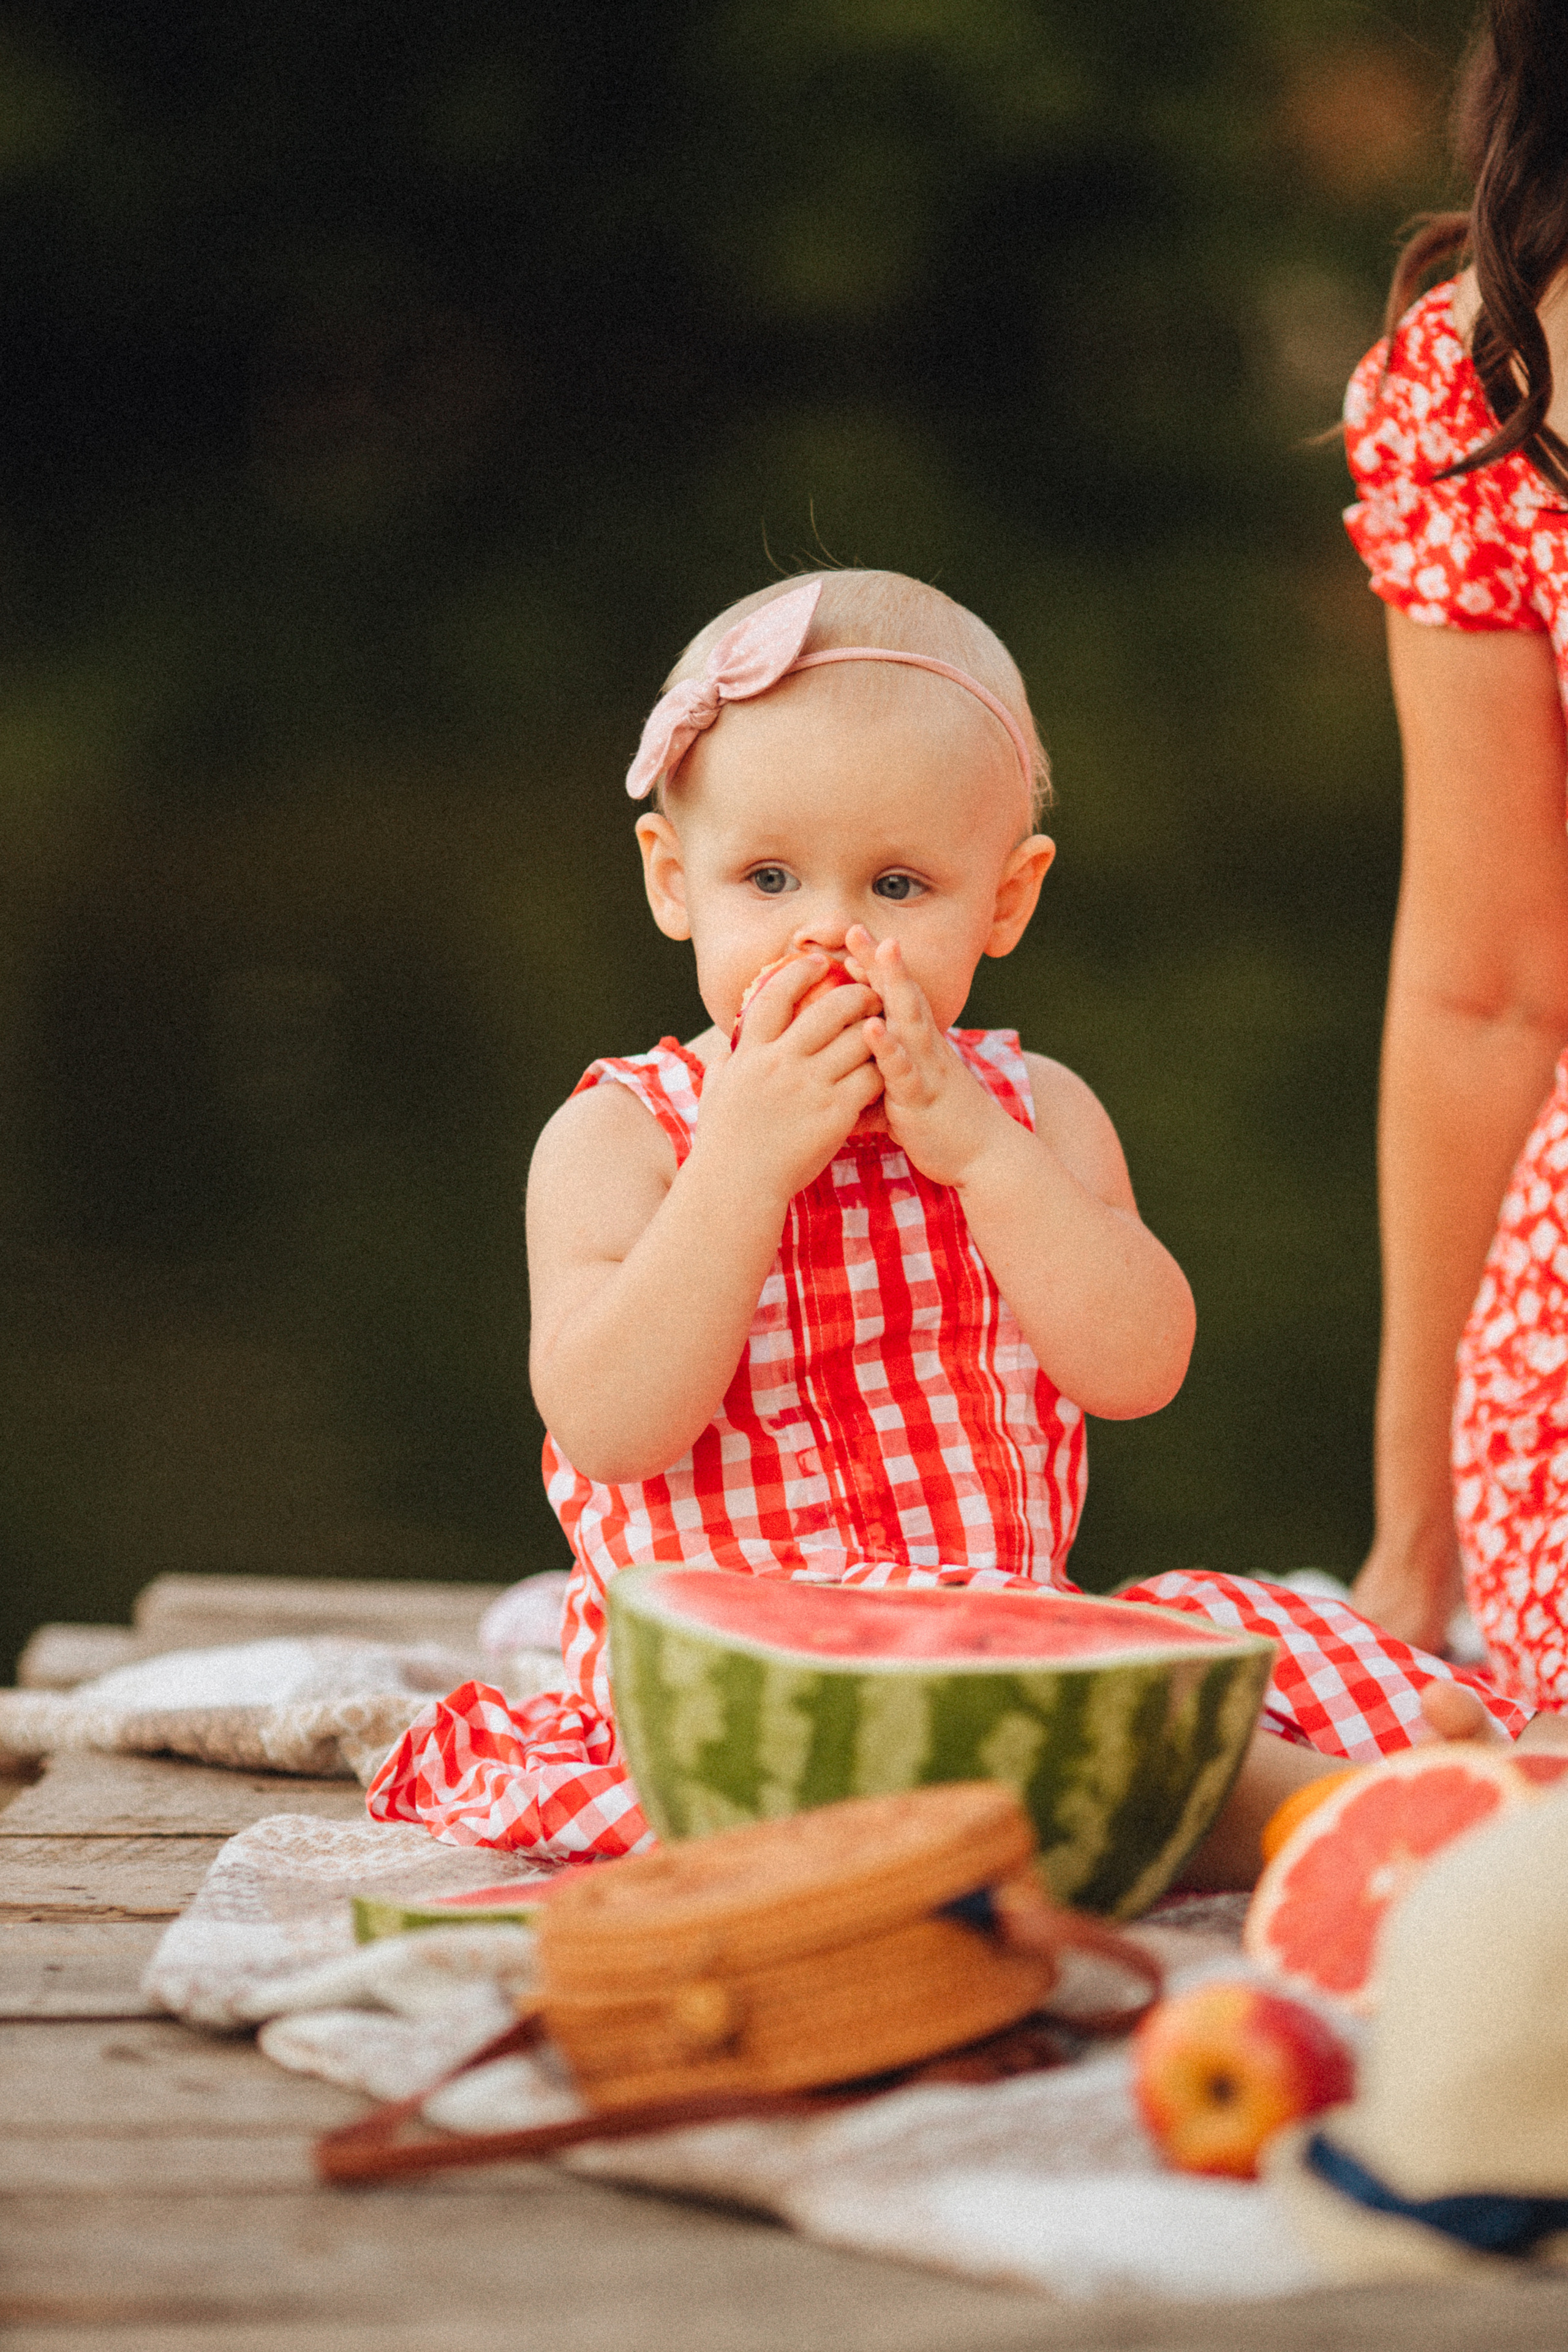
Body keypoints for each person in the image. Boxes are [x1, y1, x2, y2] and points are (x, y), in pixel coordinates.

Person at [369, 568, 1539, 1882]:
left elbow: (1138, 1367)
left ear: (1006, 900)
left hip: (1012, 1642)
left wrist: (983, 1155)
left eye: (898, 887)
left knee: (1229, 1647)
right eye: (767, 877)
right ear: (671, 879)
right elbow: (608, 1423)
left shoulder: (1034, 1115)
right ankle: (1381, 1827)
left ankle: (1420, 1780)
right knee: (1054, 1774)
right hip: (740, 1696)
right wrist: (741, 1169)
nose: (829, 933)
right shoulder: (620, 1140)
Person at [1343, 1, 1568, 1711]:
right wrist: (1416, 1556)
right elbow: (1487, 994)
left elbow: (1492, 1002)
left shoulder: (1502, 371)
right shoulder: (1480, 382)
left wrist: (1427, 1554)